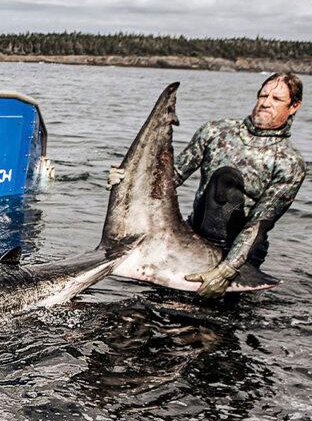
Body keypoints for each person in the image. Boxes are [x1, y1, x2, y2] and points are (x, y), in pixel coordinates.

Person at [110, 72, 305, 298]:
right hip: (192, 237)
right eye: (263, 95)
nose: (265, 102)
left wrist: (227, 270)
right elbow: (171, 179)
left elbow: (259, 224)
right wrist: (128, 182)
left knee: (212, 318)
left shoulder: (290, 163)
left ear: (294, 106)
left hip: (240, 253)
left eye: (276, 99)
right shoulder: (215, 131)